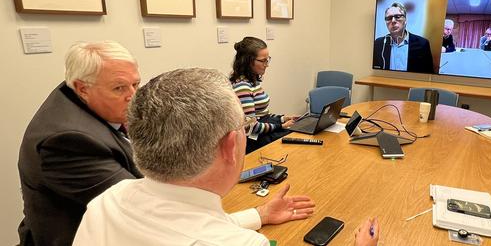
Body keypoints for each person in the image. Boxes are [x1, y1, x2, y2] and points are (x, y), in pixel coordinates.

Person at [73, 68, 380, 246]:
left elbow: (184, 222)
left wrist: (259, 215)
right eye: (245, 127)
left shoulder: (107, 201)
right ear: (231, 146)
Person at [17, 41, 143, 246]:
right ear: (82, 89)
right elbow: (136, 205)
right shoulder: (66, 142)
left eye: (136, 84)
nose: (134, 97)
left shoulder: (80, 92)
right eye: (119, 88)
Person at [231, 37, 295, 153]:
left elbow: (262, 115)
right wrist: (281, 126)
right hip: (254, 140)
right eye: (262, 61)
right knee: (293, 140)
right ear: (247, 61)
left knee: (296, 133)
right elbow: (251, 127)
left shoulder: (252, 82)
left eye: (268, 60)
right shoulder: (243, 87)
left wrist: (281, 119)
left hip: (263, 132)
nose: (267, 65)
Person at [372, 2, 434, 73]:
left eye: (397, 17)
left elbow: (429, 73)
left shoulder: (422, 44)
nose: (393, 21)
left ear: (405, 20)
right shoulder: (379, 44)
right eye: (389, 18)